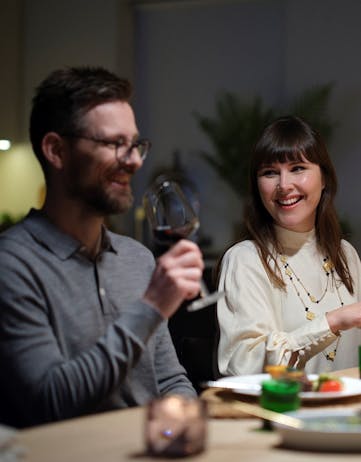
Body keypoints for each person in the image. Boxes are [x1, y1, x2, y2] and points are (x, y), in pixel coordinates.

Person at [0, 66, 204, 428]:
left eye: (136, 144)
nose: (135, 160)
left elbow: (170, 381)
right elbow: (50, 401)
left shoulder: (137, 258)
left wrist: (190, 432)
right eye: (114, 144)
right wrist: (152, 306)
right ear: (56, 150)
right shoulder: (12, 264)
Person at [217, 115, 361, 377]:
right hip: (282, 414)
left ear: (324, 178)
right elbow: (243, 366)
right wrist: (333, 321)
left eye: (297, 168)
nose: (284, 186)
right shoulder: (245, 259)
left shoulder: (346, 255)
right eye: (270, 173)